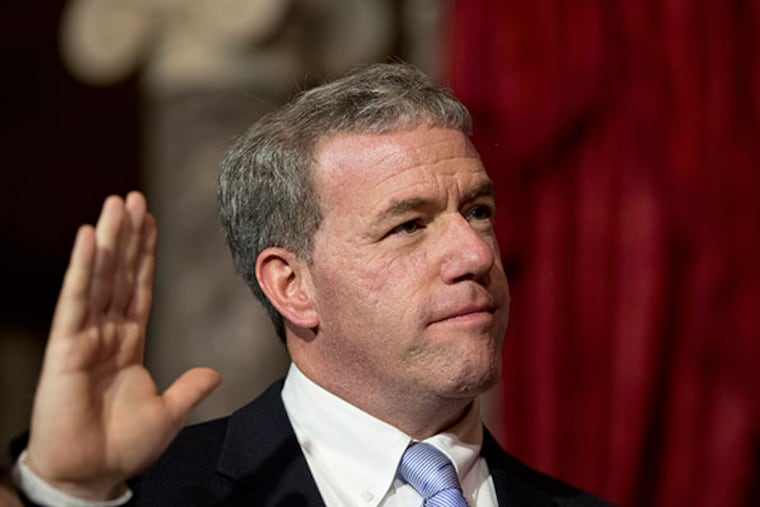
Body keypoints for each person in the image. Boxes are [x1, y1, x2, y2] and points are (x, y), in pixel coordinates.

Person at [11, 63, 616, 506]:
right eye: (408, 225)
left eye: (478, 212)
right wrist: (68, 496)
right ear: (292, 285)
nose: (473, 253)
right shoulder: (149, 495)